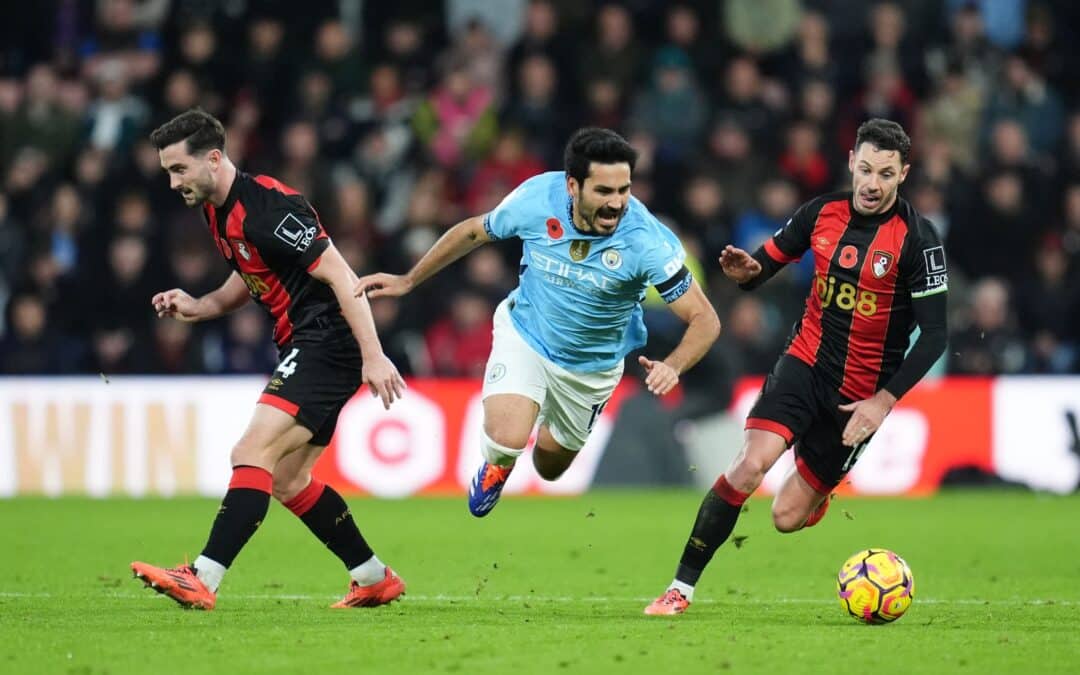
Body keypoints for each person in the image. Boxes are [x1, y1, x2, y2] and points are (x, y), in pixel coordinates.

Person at [644, 118, 949, 615]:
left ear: (904, 174)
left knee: (786, 517)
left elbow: (935, 335)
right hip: (804, 365)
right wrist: (747, 272)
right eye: (866, 169)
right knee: (748, 467)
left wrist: (882, 402)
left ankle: (816, 494)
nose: (873, 184)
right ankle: (680, 589)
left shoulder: (918, 240)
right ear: (852, 161)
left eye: (886, 174)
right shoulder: (821, 213)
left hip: (860, 396)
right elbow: (765, 263)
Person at [357, 127, 721, 517]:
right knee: (508, 438)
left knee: (549, 468)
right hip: (526, 334)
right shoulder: (535, 200)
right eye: (603, 192)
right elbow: (473, 232)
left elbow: (705, 319)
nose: (616, 204)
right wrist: (409, 279)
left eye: (624, 190)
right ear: (572, 185)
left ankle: (538, 438)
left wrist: (674, 365)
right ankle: (498, 464)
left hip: (591, 368)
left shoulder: (646, 241)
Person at [130, 109, 407, 610]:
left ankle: (203, 577)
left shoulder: (269, 209)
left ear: (213, 160)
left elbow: (342, 276)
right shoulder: (216, 208)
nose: (172, 182)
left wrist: (374, 355)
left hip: (327, 340)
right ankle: (372, 577)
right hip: (310, 343)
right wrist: (204, 304)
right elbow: (251, 271)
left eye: (178, 170)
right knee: (286, 478)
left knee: (250, 452)